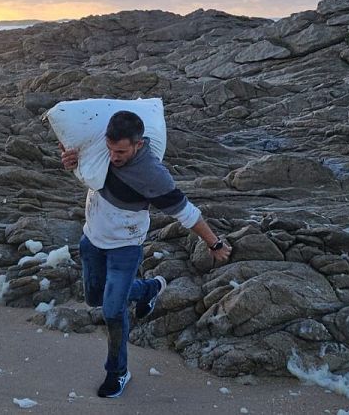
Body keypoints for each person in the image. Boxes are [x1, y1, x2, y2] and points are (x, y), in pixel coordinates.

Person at [59, 110, 231, 398]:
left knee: (112, 311)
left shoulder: (151, 174)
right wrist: (70, 162)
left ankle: (117, 372)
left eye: (121, 151)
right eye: (111, 149)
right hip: (91, 239)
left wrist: (214, 244)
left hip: (125, 247)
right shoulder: (100, 149)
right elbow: (77, 160)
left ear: (138, 145)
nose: (114, 157)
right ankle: (148, 289)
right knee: (94, 298)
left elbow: (187, 213)